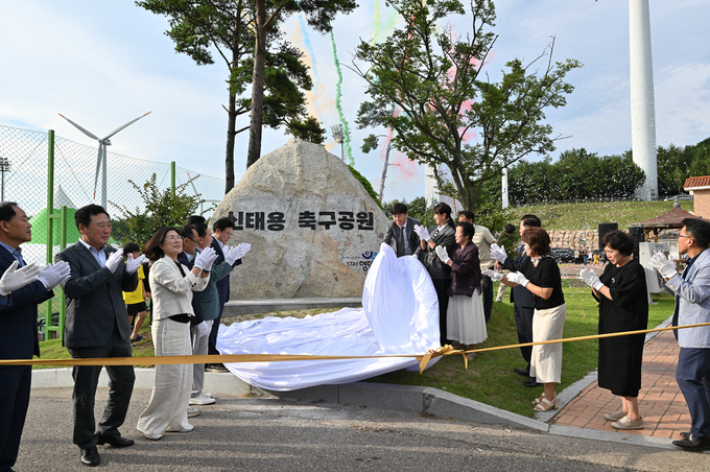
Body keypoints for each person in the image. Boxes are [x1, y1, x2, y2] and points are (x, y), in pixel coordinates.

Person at [56, 204, 145, 466]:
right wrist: (105, 271)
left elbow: (123, 288)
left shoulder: (111, 252)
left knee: (125, 380)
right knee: (85, 392)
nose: (107, 230)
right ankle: (86, 443)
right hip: (87, 334)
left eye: (108, 224)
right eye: (100, 225)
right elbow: (72, 288)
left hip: (117, 331)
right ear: (83, 228)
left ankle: (108, 429)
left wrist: (130, 273)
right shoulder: (66, 256)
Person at [0, 202, 69, 472]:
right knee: (2, 413)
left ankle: (6, 464)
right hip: (4, 349)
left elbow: (19, 298)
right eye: (24, 218)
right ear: (4, 225)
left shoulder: (17, 256)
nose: (29, 224)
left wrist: (44, 285)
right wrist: (42, 284)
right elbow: (5, 302)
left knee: (15, 415)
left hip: (21, 348)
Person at [136, 227, 214, 441]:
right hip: (167, 325)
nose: (178, 240)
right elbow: (181, 287)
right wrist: (197, 266)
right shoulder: (160, 266)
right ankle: (151, 424)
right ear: (161, 244)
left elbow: (196, 286)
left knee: (183, 376)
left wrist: (205, 269)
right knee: (169, 377)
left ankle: (177, 421)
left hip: (182, 325)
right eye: (172, 238)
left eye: (179, 237)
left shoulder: (179, 265)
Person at [649, 218, 710, 450]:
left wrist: (668, 271)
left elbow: (694, 295)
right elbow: (681, 290)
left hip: (700, 333)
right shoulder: (696, 260)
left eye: (680, 236)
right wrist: (666, 276)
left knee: (687, 378)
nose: (678, 240)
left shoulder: (707, 263)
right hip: (695, 333)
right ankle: (705, 429)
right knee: (704, 382)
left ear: (691, 240)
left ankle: (701, 433)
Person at [579, 230, 648, 430]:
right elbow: (603, 292)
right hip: (611, 324)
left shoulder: (634, 269)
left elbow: (618, 296)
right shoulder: (612, 266)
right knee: (615, 366)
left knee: (626, 367)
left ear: (623, 250)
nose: (608, 255)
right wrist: (593, 283)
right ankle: (625, 409)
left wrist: (597, 285)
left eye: (612, 251)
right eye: (606, 251)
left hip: (628, 327)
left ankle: (634, 416)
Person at [500, 227, 566, 412]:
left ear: (535, 245)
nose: (524, 247)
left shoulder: (548, 264)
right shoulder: (530, 261)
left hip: (553, 310)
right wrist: (499, 277)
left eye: (527, 243)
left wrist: (524, 283)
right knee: (539, 350)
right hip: (540, 311)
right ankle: (547, 394)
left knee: (547, 351)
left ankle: (551, 397)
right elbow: (517, 280)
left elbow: (545, 293)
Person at [189, 221, 249, 404]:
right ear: (199, 238)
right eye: (208, 235)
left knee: (200, 354)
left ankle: (197, 390)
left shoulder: (202, 252)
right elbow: (211, 276)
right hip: (202, 309)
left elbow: (213, 273)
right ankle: (192, 393)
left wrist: (231, 259)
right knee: (196, 354)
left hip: (210, 306)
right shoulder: (196, 256)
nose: (210, 239)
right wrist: (229, 260)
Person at [489, 215, 541, 386]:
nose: (519, 231)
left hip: (529, 297)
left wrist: (505, 260)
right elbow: (517, 265)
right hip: (519, 295)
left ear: (532, 229)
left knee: (532, 335)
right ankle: (529, 365)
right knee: (522, 334)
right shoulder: (523, 247)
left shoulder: (538, 247)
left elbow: (523, 268)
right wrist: (503, 262)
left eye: (522, 228)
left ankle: (537, 374)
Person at [440, 221, 487, 360]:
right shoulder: (455, 248)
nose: (455, 235)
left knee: (469, 318)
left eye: (458, 233)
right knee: (458, 317)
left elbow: (462, 269)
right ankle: (461, 345)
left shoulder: (472, 249)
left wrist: (448, 261)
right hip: (455, 287)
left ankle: (472, 349)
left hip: (468, 289)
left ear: (467, 235)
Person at [414, 202, 456, 346]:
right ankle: (432, 334)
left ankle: (444, 338)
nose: (434, 217)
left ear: (444, 215)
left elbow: (441, 252)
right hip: (429, 271)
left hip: (441, 273)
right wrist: (422, 238)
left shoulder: (450, 232)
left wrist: (428, 239)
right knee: (430, 305)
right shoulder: (433, 229)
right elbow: (425, 249)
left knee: (442, 307)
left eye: (436, 214)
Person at [206, 217, 236, 373]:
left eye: (231, 234)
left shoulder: (221, 246)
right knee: (211, 326)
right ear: (217, 231)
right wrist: (230, 260)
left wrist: (233, 258)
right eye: (227, 234)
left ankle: (211, 354)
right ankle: (210, 357)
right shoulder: (211, 246)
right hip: (214, 293)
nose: (229, 237)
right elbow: (216, 271)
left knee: (215, 325)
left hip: (220, 293)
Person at [458, 211, 496, 323]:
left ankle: (486, 316)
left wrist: (497, 260)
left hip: (486, 266)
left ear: (470, 220)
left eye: (462, 221)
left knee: (487, 290)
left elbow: (494, 244)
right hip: (470, 267)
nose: (460, 224)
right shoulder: (461, 233)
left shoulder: (483, 231)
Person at [122, 242, 148, 343]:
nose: (138, 253)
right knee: (129, 320)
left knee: (143, 315)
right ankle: (126, 341)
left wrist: (144, 292)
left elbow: (141, 280)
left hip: (139, 296)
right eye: (136, 252)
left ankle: (134, 335)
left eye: (138, 251)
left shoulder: (139, 265)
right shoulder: (124, 266)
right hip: (129, 298)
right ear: (129, 254)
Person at [495, 223, 518, 303]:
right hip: (506, 263)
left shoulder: (503, 238)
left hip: (507, 262)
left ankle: (499, 298)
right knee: (506, 281)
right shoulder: (505, 239)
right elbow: (499, 251)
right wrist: (497, 263)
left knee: (507, 281)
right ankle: (498, 299)